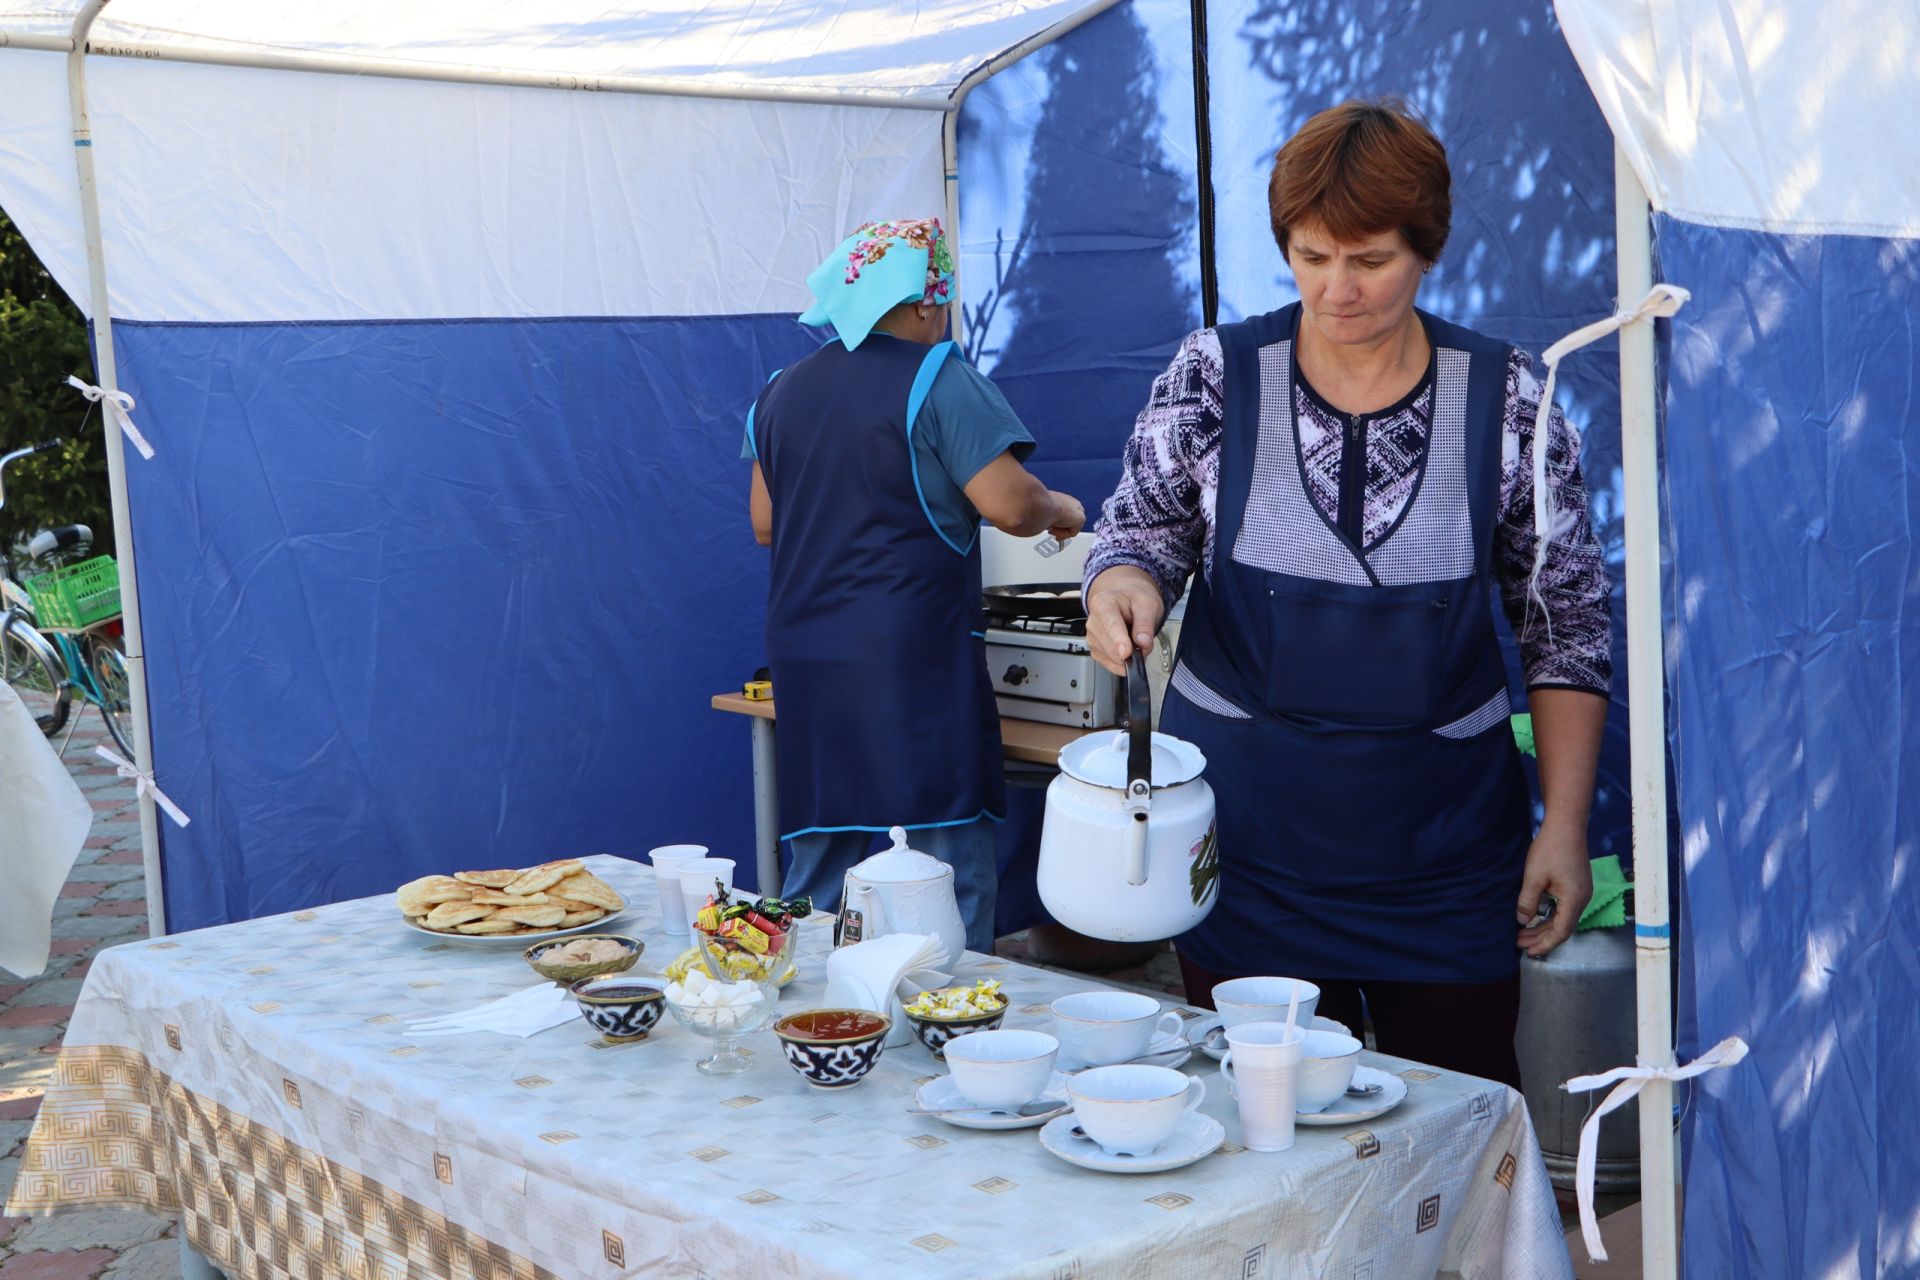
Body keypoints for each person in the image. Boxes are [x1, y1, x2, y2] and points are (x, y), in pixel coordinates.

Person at [1081, 101, 1608, 1087]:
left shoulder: (1507, 400)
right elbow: (1139, 530)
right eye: (1311, 257)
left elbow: (1566, 623)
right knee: (1266, 1139)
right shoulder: (1216, 376)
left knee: (1450, 1127)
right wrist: (1119, 582)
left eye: (1369, 260)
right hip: (1246, 857)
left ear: (1427, 248)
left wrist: (1565, 826)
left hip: (1443, 868)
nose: (1337, 290)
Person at [745, 218, 1083, 953]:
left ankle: (811, 1016)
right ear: (930, 302)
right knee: (944, 851)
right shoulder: (936, 376)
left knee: (822, 849)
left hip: (807, 653)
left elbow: (766, 523)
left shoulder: (781, 391)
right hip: (909, 654)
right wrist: (1061, 509)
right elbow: (1008, 504)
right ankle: (959, 1026)